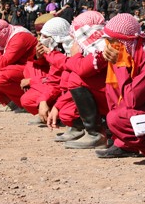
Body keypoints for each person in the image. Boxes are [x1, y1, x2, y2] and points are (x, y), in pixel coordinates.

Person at [95, 13, 145, 163]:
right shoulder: (132, 48)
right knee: (116, 109)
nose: (109, 47)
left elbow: (133, 99)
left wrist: (119, 63)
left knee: (116, 119)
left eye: (112, 42)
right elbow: (116, 94)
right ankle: (125, 143)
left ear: (125, 41)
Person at [46, 11, 110, 149]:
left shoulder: (100, 46)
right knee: (66, 111)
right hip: (80, 93)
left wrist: (52, 55)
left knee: (74, 82)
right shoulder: (82, 45)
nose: (41, 40)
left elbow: (79, 69)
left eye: (45, 36)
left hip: (116, 95)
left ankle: (96, 133)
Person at [0, 19, 37, 110]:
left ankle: (26, 102)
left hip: (31, 68)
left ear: (3, 32)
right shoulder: (5, 38)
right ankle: (12, 102)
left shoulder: (19, 37)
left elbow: (2, 63)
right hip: (16, 67)